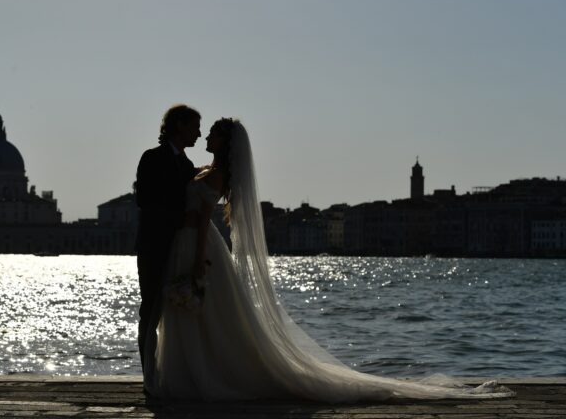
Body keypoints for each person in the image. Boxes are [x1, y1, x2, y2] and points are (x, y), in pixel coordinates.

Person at [146, 117, 514, 402]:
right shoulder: (207, 171)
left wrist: (197, 262)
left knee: (204, 314)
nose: (206, 136)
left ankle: (201, 376)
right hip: (190, 243)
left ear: (224, 142)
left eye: (211, 132)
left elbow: (201, 217)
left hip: (199, 247)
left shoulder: (217, 175)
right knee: (204, 318)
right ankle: (195, 374)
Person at [134, 104, 201, 384]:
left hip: (179, 248)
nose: (198, 133)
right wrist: (180, 218)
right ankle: (149, 375)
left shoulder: (187, 166)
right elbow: (145, 201)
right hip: (153, 245)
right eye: (195, 126)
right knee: (150, 308)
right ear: (180, 126)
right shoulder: (151, 158)